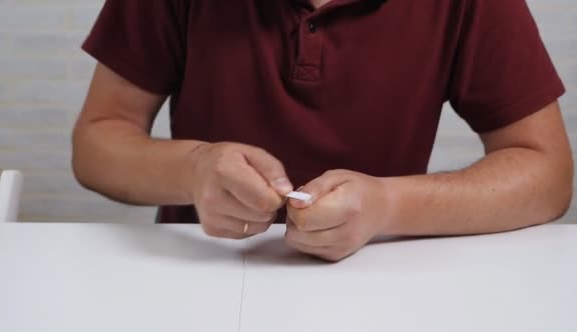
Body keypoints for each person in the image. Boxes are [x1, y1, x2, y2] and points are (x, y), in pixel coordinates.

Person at [72, 0, 573, 261]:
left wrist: (388, 205)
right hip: (199, 271)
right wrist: (193, 169)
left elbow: (546, 173)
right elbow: (97, 141)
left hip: (382, 276)